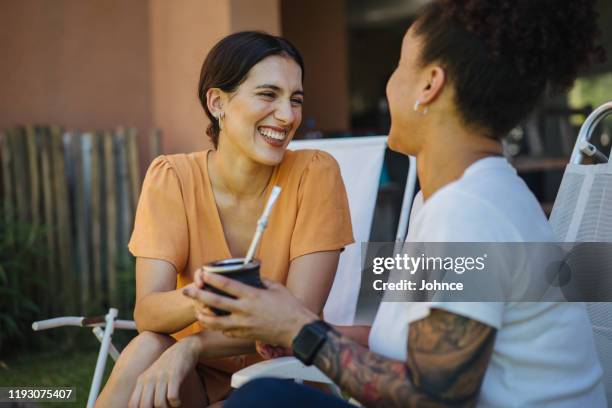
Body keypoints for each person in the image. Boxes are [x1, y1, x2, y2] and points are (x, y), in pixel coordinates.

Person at [183, 1, 607, 406]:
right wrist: (297, 326)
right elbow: (417, 342)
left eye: (398, 67)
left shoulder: (469, 211)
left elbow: (436, 398)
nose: (388, 86)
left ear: (429, 85)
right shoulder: (449, 201)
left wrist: (299, 328)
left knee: (262, 401)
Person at [95, 31, 354, 408]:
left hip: (281, 378)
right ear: (217, 102)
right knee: (147, 346)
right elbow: (148, 312)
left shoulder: (315, 174)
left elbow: (299, 317)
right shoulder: (172, 178)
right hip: (189, 380)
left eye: (295, 99)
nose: (287, 116)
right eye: (268, 95)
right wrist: (208, 294)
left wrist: (195, 345)